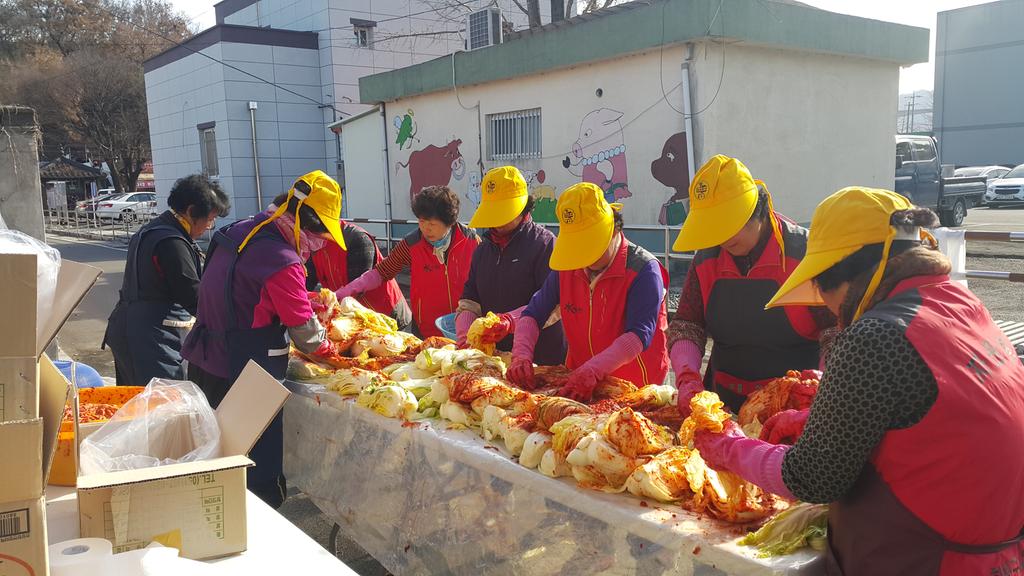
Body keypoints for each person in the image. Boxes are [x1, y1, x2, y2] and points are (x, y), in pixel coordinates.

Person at [693, 187, 1024, 575]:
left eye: (820, 284)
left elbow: (812, 477)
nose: (825, 304)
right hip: (997, 550)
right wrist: (815, 422)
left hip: (928, 558)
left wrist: (728, 447)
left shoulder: (874, 336)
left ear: (845, 274)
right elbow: (931, 415)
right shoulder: (959, 302)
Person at [181, 170, 343, 508]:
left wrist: (306, 299)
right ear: (303, 223)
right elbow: (308, 338)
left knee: (214, 456)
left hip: (203, 360)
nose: (321, 243)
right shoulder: (283, 260)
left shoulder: (236, 231)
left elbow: (245, 292)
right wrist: (338, 352)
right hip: (245, 373)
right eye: (322, 235)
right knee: (253, 470)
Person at [668, 155, 837, 414]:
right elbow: (687, 326)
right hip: (723, 405)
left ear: (756, 210)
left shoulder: (804, 254)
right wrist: (687, 377)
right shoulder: (707, 259)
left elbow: (836, 332)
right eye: (714, 230)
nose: (722, 240)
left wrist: (824, 391)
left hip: (794, 407)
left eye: (728, 227)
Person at [507, 182, 669, 400]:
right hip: (580, 383)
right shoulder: (568, 266)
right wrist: (521, 356)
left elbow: (638, 335)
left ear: (612, 229)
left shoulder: (643, 269)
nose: (586, 259)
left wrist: (594, 369)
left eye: (591, 246)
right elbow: (534, 314)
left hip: (634, 388)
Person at [103, 174, 229, 385]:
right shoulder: (172, 242)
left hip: (128, 328)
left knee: (137, 403)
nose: (209, 226)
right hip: (151, 337)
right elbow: (193, 296)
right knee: (163, 406)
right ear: (190, 212)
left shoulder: (152, 229)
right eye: (209, 219)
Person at [454, 166, 565, 364]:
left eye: (503, 214)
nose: (497, 223)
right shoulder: (483, 250)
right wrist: (466, 336)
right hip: (497, 357)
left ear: (523, 209)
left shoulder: (545, 245)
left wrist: (509, 321)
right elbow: (470, 300)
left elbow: (555, 304)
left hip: (541, 358)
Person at [337, 186, 480, 338]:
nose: (426, 229)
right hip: (426, 332)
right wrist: (345, 292)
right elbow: (382, 272)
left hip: (465, 329)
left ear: (449, 223)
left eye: (432, 224)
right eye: (421, 221)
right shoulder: (412, 244)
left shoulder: (471, 242)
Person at [307, 221, 413, 331]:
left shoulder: (356, 238)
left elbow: (360, 286)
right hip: (351, 318)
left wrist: (331, 298)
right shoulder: (313, 244)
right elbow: (307, 280)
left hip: (384, 311)